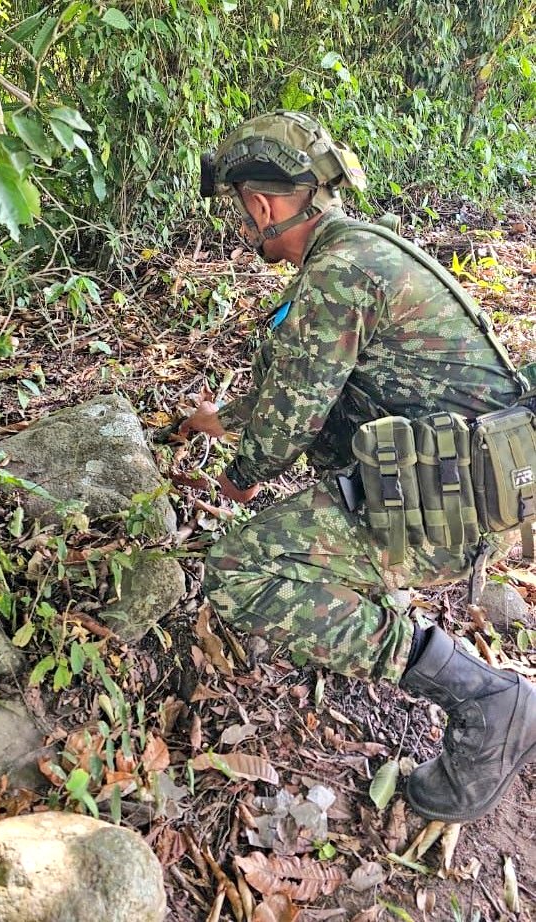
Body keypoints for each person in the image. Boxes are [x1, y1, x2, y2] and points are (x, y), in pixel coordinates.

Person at [179, 110, 536, 823]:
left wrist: (240, 473)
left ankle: (486, 698)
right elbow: (306, 385)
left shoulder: (336, 274)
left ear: (262, 204)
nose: (241, 225)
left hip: (447, 507)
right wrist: (219, 419)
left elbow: (289, 423)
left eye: (238, 211)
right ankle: (378, 598)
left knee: (238, 570)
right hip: (465, 483)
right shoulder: (359, 252)